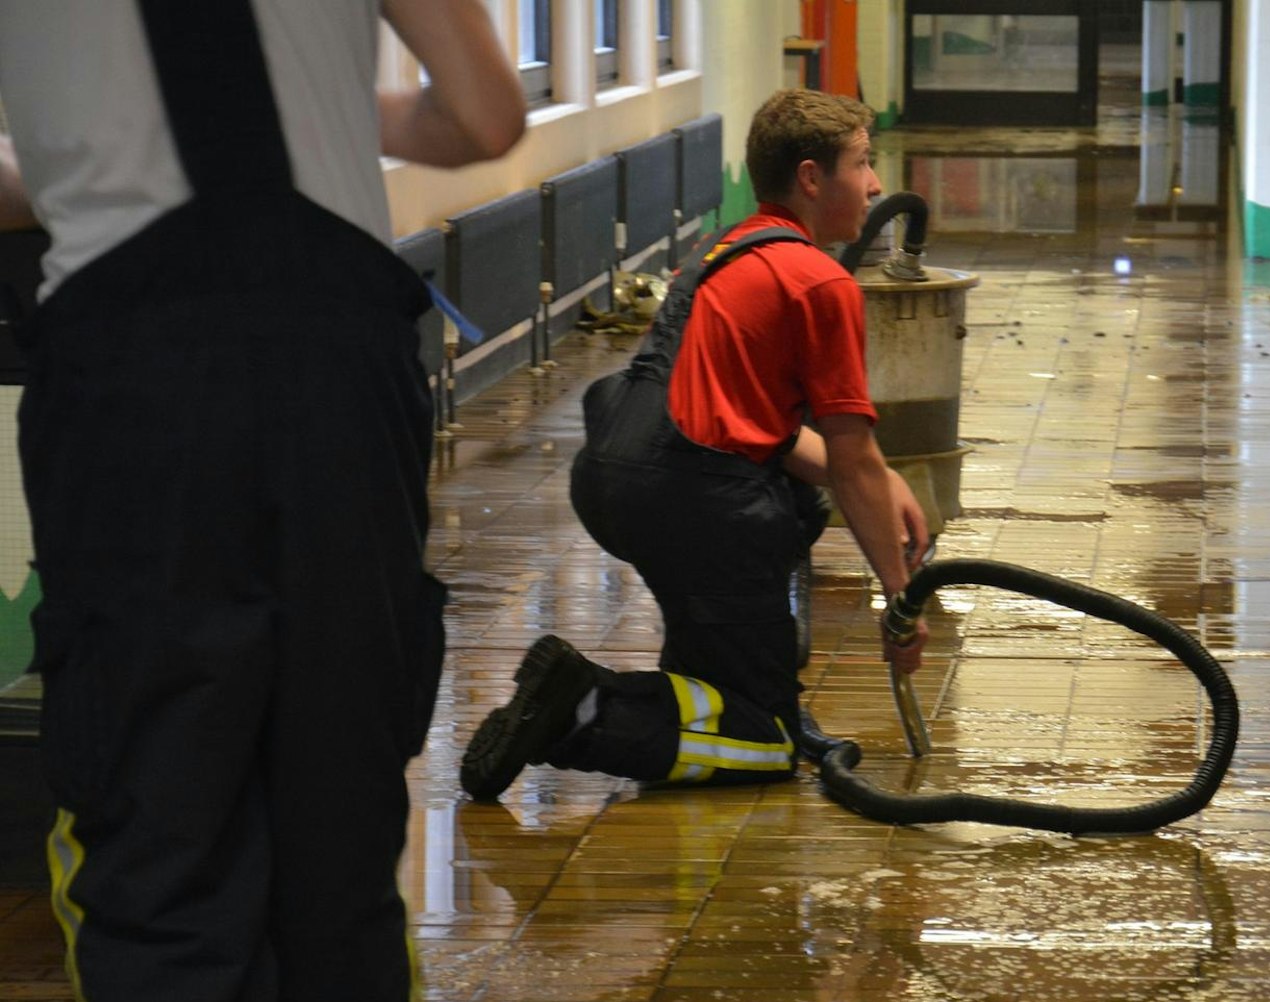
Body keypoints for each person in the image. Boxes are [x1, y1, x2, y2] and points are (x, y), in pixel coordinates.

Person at [0, 1, 524, 998]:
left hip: (133, 378)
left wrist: (71, 166)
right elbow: (484, 119)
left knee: (157, 831)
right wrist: (328, 112)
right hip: (336, 367)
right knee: (339, 821)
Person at [459, 89, 930, 798]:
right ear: (810, 177)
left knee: (780, 542)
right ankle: (579, 708)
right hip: (696, 502)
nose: (874, 184)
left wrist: (878, 478)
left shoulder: (726, 248)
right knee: (765, 748)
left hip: (618, 476)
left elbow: (744, 415)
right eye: (863, 164)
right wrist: (902, 600)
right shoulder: (819, 283)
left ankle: (724, 693)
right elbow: (850, 458)